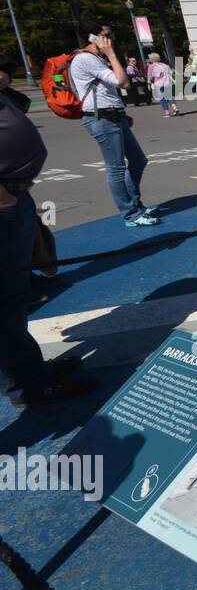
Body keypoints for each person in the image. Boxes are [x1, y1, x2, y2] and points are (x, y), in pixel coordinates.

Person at [0, 78, 96, 407]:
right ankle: (29, 385)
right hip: (4, 201)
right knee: (5, 304)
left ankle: (28, 371)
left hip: (13, 195)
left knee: (13, 298)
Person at [69, 21, 159, 227]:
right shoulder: (85, 59)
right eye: (106, 35)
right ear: (93, 37)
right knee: (116, 169)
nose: (111, 39)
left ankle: (135, 203)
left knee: (138, 160)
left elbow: (110, 90)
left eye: (111, 34)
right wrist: (111, 54)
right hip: (101, 118)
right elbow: (123, 82)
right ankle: (131, 214)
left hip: (113, 115)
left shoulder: (96, 59)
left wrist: (121, 112)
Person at [146, 52, 177, 116]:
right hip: (168, 82)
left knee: (161, 98)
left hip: (158, 84)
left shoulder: (151, 66)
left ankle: (167, 112)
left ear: (153, 59)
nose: (149, 60)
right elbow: (170, 73)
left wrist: (149, 84)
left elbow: (150, 76)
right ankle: (174, 107)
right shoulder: (165, 65)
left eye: (150, 58)